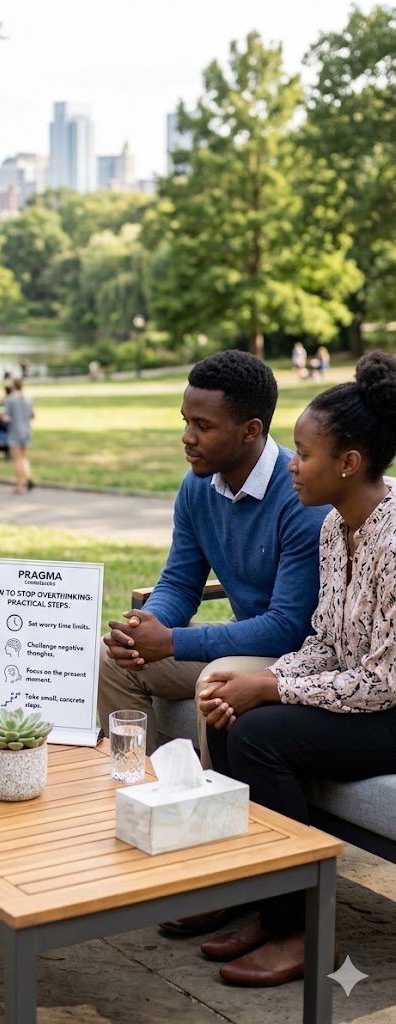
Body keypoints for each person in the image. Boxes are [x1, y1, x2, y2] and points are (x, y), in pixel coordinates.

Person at [195, 350, 396, 987]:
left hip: (389, 708)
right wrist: (258, 684)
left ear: (349, 463)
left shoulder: (393, 543)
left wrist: (273, 686)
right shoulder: (336, 528)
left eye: (304, 454)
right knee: (232, 714)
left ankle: (307, 931)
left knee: (260, 734)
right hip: (364, 700)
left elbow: (381, 683)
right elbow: (325, 643)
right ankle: (264, 902)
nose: (291, 464)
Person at [97, 350, 329, 776]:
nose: (187, 437)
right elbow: (180, 582)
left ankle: (207, 805)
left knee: (216, 681)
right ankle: (142, 787)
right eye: (185, 421)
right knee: (110, 658)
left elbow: (288, 627)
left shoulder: (302, 497)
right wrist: (144, 628)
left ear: (250, 430)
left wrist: (171, 642)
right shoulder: (197, 487)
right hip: (246, 640)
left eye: (203, 426)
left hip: (297, 655)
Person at [2, 376, 35, 494]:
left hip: (15, 432)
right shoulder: (28, 399)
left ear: (13, 386)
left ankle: (19, 485)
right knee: (24, 457)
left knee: (17, 460)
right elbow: (32, 415)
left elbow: (6, 417)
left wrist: (2, 418)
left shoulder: (10, 399)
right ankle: (29, 477)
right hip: (26, 431)